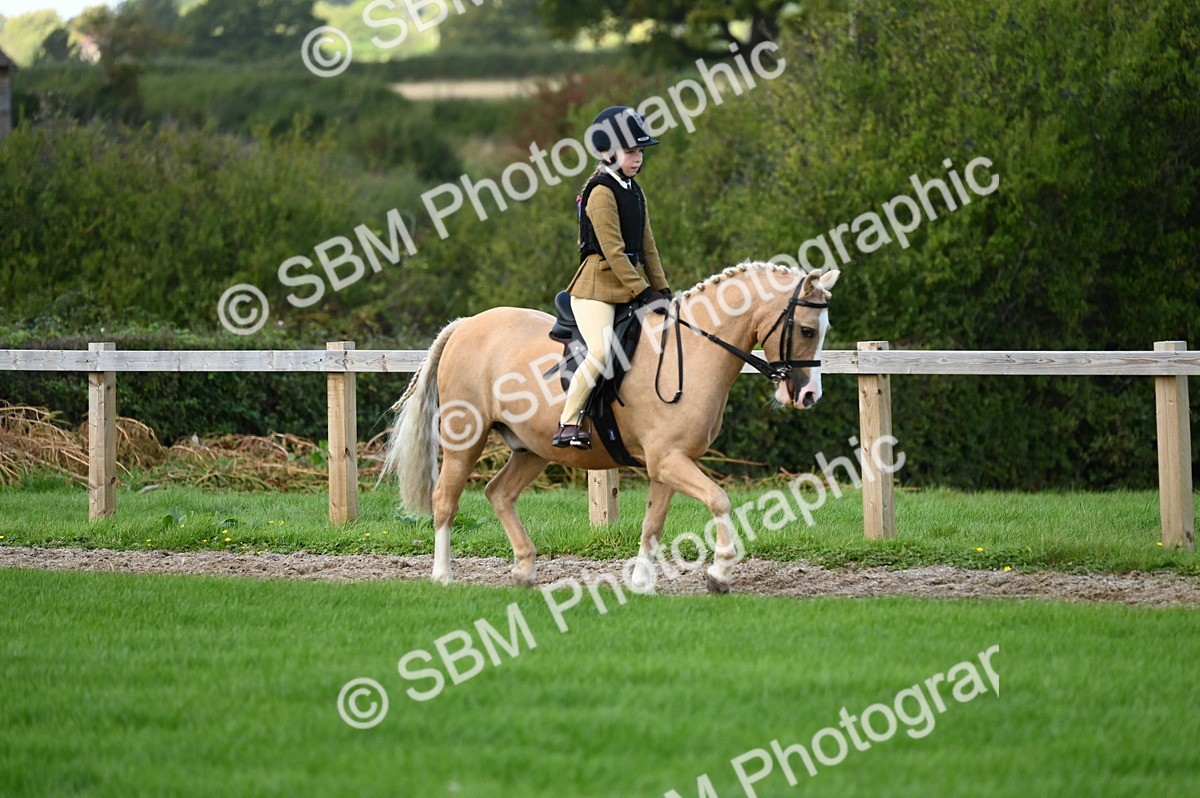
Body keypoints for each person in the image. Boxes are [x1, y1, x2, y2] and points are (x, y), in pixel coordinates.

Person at [553, 106, 673, 450]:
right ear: (607, 153)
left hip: (629, 286)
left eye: (640, 152)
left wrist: (661, 288)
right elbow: (613, 251)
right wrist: (643, 290)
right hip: (596, 289)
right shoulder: (601, 191)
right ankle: (568, 422)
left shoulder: (634, 190)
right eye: (631, 152)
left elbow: (647, 245)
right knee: (602, 352)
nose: (637, 159)